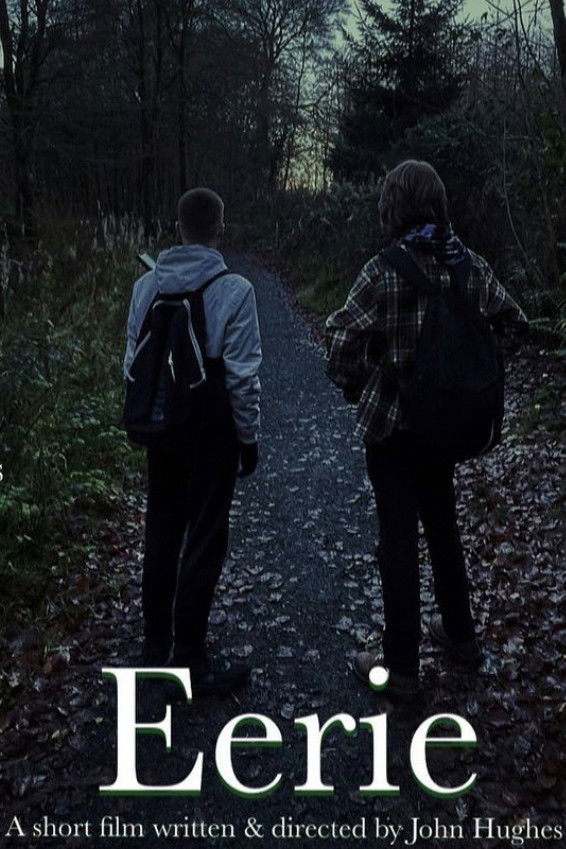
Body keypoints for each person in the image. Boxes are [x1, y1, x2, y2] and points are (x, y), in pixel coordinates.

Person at [325, 160, 528, 699]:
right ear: (438, 203)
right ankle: (461, 636)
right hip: (446, 428)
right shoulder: (468, 265)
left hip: (394, 429)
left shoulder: (383, 269)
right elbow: (515, 323)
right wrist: (473, 375)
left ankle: (401, 668)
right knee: (443, 525)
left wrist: (361, 383)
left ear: (392, 206)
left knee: (397, 540)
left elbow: (340, 342)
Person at [124, 188, 262, 696]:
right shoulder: (235, 291)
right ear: (219, 226)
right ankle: (190, 658)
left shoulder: (147, 287)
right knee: (205, 537)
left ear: (177, 226)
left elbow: (132, 364)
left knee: (161, 531)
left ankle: (154, 648)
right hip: (212, 433)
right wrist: (248, 439)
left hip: (163, 429)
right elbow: (242, 378)